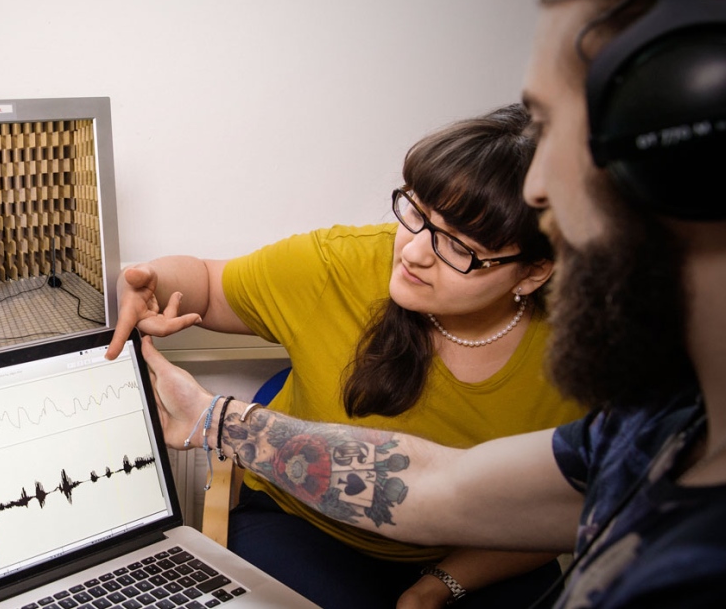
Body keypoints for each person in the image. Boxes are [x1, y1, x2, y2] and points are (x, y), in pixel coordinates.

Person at [132, 0, 726, 606]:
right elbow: (431, 485)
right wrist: (213, 420)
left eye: (552, 127)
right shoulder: (660, 431)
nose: (538, 187)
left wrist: (439, 583)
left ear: (698, 141)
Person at [107, 106, 587, 609]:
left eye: (458, 247)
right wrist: (150, 286)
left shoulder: (588, 352)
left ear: (533, 273)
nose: (415, 252)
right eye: (418, 214)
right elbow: (205, 283)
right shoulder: (340, 265)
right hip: (306, 527)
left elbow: (554, 513)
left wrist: (440, 585)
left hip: (478, 550)